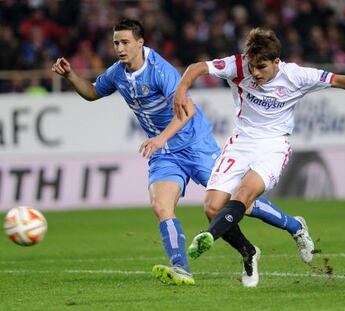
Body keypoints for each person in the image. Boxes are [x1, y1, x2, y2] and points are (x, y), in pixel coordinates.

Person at [52, 20, 313, 288]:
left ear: (140, 43)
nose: (120, 48)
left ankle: (294, 226)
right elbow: (93, 92)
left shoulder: (160, 71)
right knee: (160, 206)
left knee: (237, 202)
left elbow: (186, 112)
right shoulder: (118, 73)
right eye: (116, 42)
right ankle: (185, 267)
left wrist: (159, 139)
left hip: (194, 145)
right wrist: (70, 75)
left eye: (125, 42)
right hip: (164, 154)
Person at [173, 27, 345, 284]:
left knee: (243, 196)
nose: (255, 73)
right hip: (240, 143)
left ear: (276, 62)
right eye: (252, 66)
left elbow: (339, 80)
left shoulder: (297, 75)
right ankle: (250, 252)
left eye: (261, 67)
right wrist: (182, 89)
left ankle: (209, 237)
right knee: (213, 207)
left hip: (273, 146)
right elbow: (196, 67)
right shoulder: (237, 65)